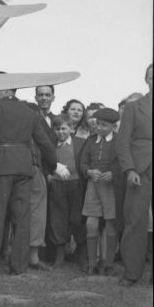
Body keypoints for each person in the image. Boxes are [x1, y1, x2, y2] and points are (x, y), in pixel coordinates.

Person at [0, 85, 60, 276]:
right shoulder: (30, 112)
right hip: (24, 167)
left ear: (7, 91)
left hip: (0, 166)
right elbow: (45, 142)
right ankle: (19, 266)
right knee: (22, 219)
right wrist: (54, 164)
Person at [117, 64, 153, 287]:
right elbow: (122, 142)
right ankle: (131, 273)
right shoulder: (133, 108)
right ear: (146, 80)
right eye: (152, 77)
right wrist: (130, 169)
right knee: (135, 221)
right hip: (140, 170)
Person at [79, 108, 121, 276]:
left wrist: (113, 174)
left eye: (104, 125)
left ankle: (108, 263)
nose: (99, 128)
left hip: (111, 188)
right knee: (91, 224)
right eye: (97, 124)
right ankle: (92, 263)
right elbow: (82, 162)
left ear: (114, 126)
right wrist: (88, 172)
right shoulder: (90, 141)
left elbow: (123, 162)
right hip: (93, 186)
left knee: (111, 225)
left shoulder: (119, 141)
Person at [47, 114, 87, 268]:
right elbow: (45, 161)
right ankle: (60, 256)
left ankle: (82, 256)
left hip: (76, 185)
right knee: (58, 219)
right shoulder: (50, 144)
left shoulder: (81, 143)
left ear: (71, 129)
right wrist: (49, 174)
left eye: (64, 128)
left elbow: (85, 161)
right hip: (58, 185)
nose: (60, 132)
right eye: (57, 129)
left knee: (77, 219)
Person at [29, 85, 58, 269]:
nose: (44, 98)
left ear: (53, 97)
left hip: (56, 171)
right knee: (35, 214)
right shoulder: (31, 116)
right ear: (36, 97)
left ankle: (49, 254)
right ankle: (32, 255)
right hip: (38, 169)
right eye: (41, 95)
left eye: (48, 95)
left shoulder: (57, 120)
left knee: (52, 214)